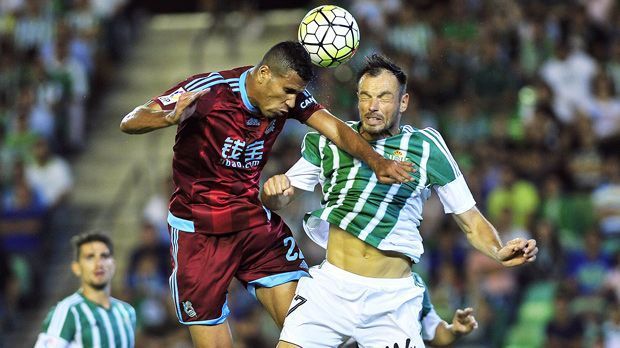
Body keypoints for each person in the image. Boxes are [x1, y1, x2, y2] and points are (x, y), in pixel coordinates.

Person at [119, 41, 412, 347]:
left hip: (252, 223)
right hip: (199, 232)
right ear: (263, 74)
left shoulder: (292, 97)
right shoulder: (211, 93)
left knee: (308, 330)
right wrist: (166, 118)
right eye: (287, 92)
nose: (291, 103)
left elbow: (336, 130)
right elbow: (130, 121)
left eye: (297, 94)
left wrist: (376, 161)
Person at [261, 54, 538, 347]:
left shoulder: (426, 148)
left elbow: (470, 220)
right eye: (365, 97)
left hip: (391, 301)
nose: (373, 106)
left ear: (403, 102)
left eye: (384, 97)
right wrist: (273, 192)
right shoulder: (332, 139)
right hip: (330, 290)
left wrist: (497, 250)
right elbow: (279, 199)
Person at [34, 231, 136, 347]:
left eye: (104, 256)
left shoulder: (127, 312)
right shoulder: (68, 311)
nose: (99, 264)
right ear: (76, 268)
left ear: (113, 264)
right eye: (90, 257)